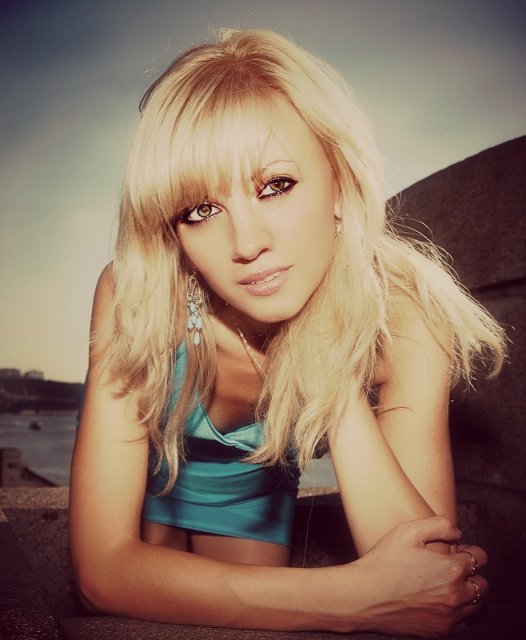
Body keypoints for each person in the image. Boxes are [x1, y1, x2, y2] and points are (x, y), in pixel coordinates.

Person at [69, 28, 506, 636]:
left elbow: (429, 580)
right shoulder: (137, 292)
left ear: (339, 182)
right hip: (146, 479)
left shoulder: (407, 314)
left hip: (248, 497)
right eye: (200, 210)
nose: (247, 243)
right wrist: (351, 598)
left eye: (275, 186)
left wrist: (333, 377)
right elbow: (102, 574)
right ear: (173, 230)